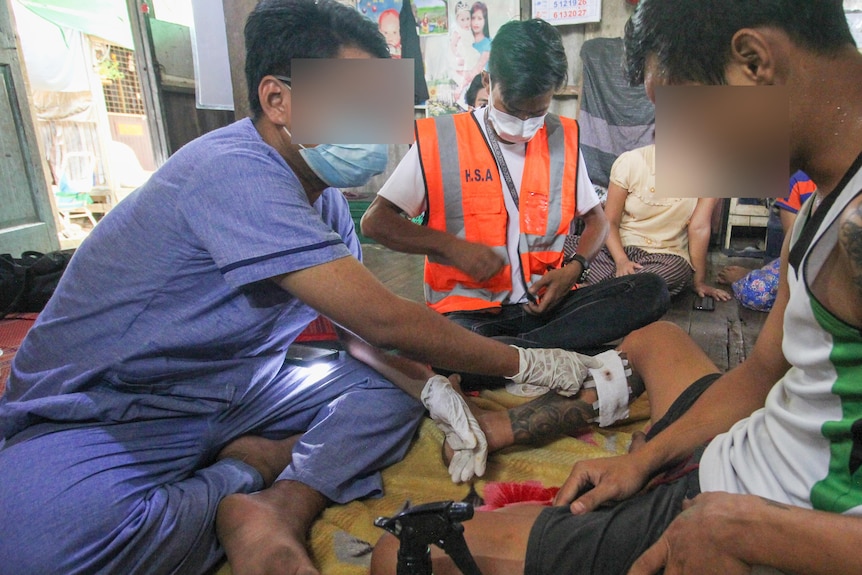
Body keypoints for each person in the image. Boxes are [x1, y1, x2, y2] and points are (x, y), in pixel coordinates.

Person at [0, 1, 613, 574]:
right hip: (112, 412)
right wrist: (531, 363)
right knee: (40, 545)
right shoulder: (229, 172)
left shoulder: (326, 205)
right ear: (278, 100)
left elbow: (357, 336)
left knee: (399, 390)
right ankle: (251, 468)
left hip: (240, 390)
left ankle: (282, 504)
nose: (381, 128)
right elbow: (385, 321)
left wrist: (429, 387)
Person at [370, 0, 862, 573]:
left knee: (402, 553)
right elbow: (759, 375)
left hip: (765, 517)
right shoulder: (822, 209)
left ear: (753, 62)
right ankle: (516, 377)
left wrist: (746, 532)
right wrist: (645, 460)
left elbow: (595, 222)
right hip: (740, 455)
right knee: (659, 339)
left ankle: (512, 373)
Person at [362, 19, 670, 390]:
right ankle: (541, 357)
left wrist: (575, 268)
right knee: (445, 342)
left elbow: (598, 222)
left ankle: (512, 360)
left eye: (536, 112)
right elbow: (375, 222)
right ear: (489, 83)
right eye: (513, 109)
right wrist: (449, 246)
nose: (524, 123)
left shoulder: (563, 137)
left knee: (650, 290)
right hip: (469, 317)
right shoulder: (442, 138)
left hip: (546, 309)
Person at [580, 142, 731, 299]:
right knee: (568, 246)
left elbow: (699, 228)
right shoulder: (631, 162)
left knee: (669, 274)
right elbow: (609, 222)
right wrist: (621, 261)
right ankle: (621, 291)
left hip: (665, 257)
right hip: (618, 250)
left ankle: (593, 289)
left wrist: (699, 282)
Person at [718, 170, 817, 311]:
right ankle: (758, 275)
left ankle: (756, 275)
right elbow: (795, 248)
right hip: (808, 264)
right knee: (756, 292)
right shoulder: (799, 181)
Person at [450, 0, 480, 100]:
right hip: (463, 56)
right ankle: (459, 91)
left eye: (468, 19)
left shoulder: (469, 30)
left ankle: (468, 94)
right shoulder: (457, 31)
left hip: (471, 55)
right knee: (465, 77)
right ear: (457, 20)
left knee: (473, 75)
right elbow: (453, 45)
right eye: (463, 20)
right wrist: (458, 56)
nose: (466, 22)